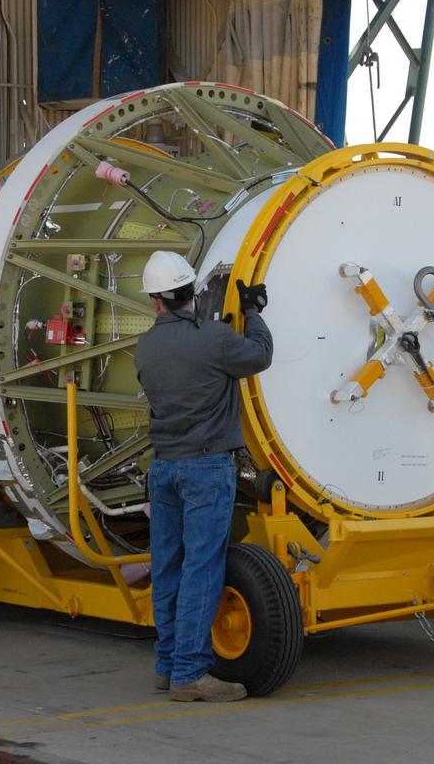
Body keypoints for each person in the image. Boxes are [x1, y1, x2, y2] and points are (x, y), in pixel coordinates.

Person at [133, 251, 273, 703]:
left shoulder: (146, 347)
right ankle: (191, 673)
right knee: (202, 568)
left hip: (164, 469)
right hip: (206, 468)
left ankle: (167, 665)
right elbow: (260, 356)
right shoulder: (214, 338)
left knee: (168, 566)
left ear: (156, 301)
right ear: (192, 292)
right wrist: (254, 313)